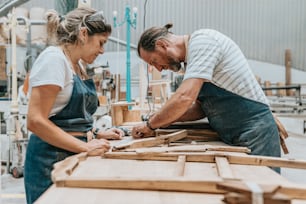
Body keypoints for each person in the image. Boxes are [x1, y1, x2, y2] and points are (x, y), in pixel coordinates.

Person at [132, 23, 284, 172]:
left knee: (264, 190)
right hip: (235, 135)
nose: (159, 68)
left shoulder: (203, 42)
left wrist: (151, 124)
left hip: (256, 133)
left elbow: (184, 97)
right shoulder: (191, 61)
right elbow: (200, 108)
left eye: (154, 61)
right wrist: (165, 119)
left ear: (162, 45)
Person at [24, 7, 124, 204]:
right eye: (101, 43)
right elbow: (35, 121)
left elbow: (70, 119)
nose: (103, 50)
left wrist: (94, 134)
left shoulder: (77, 65)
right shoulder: (54, 60)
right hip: (50, 159)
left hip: (72, 154)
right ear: (84, 34)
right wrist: (84, 147)